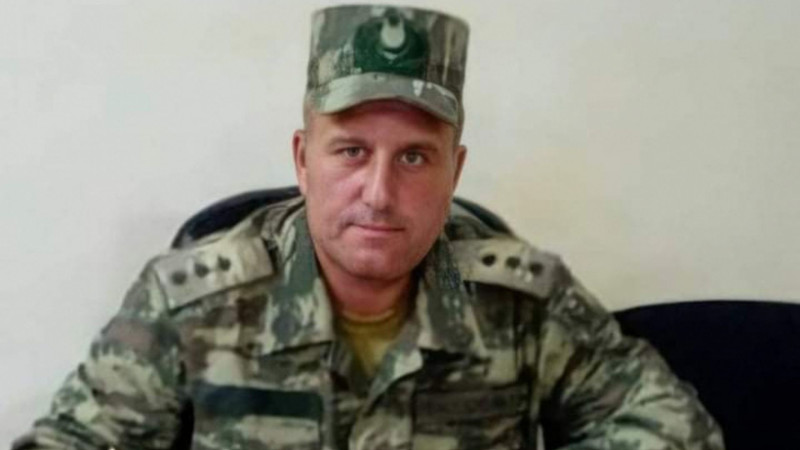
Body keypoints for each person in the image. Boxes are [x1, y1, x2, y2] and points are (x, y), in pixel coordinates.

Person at [14, 5, 724, 450]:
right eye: (351, 151)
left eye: (414, 157)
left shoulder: (523, 303)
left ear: (454, 171)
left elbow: (670, 429)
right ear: (303, 160)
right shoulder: (193, 302)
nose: (380, 194)